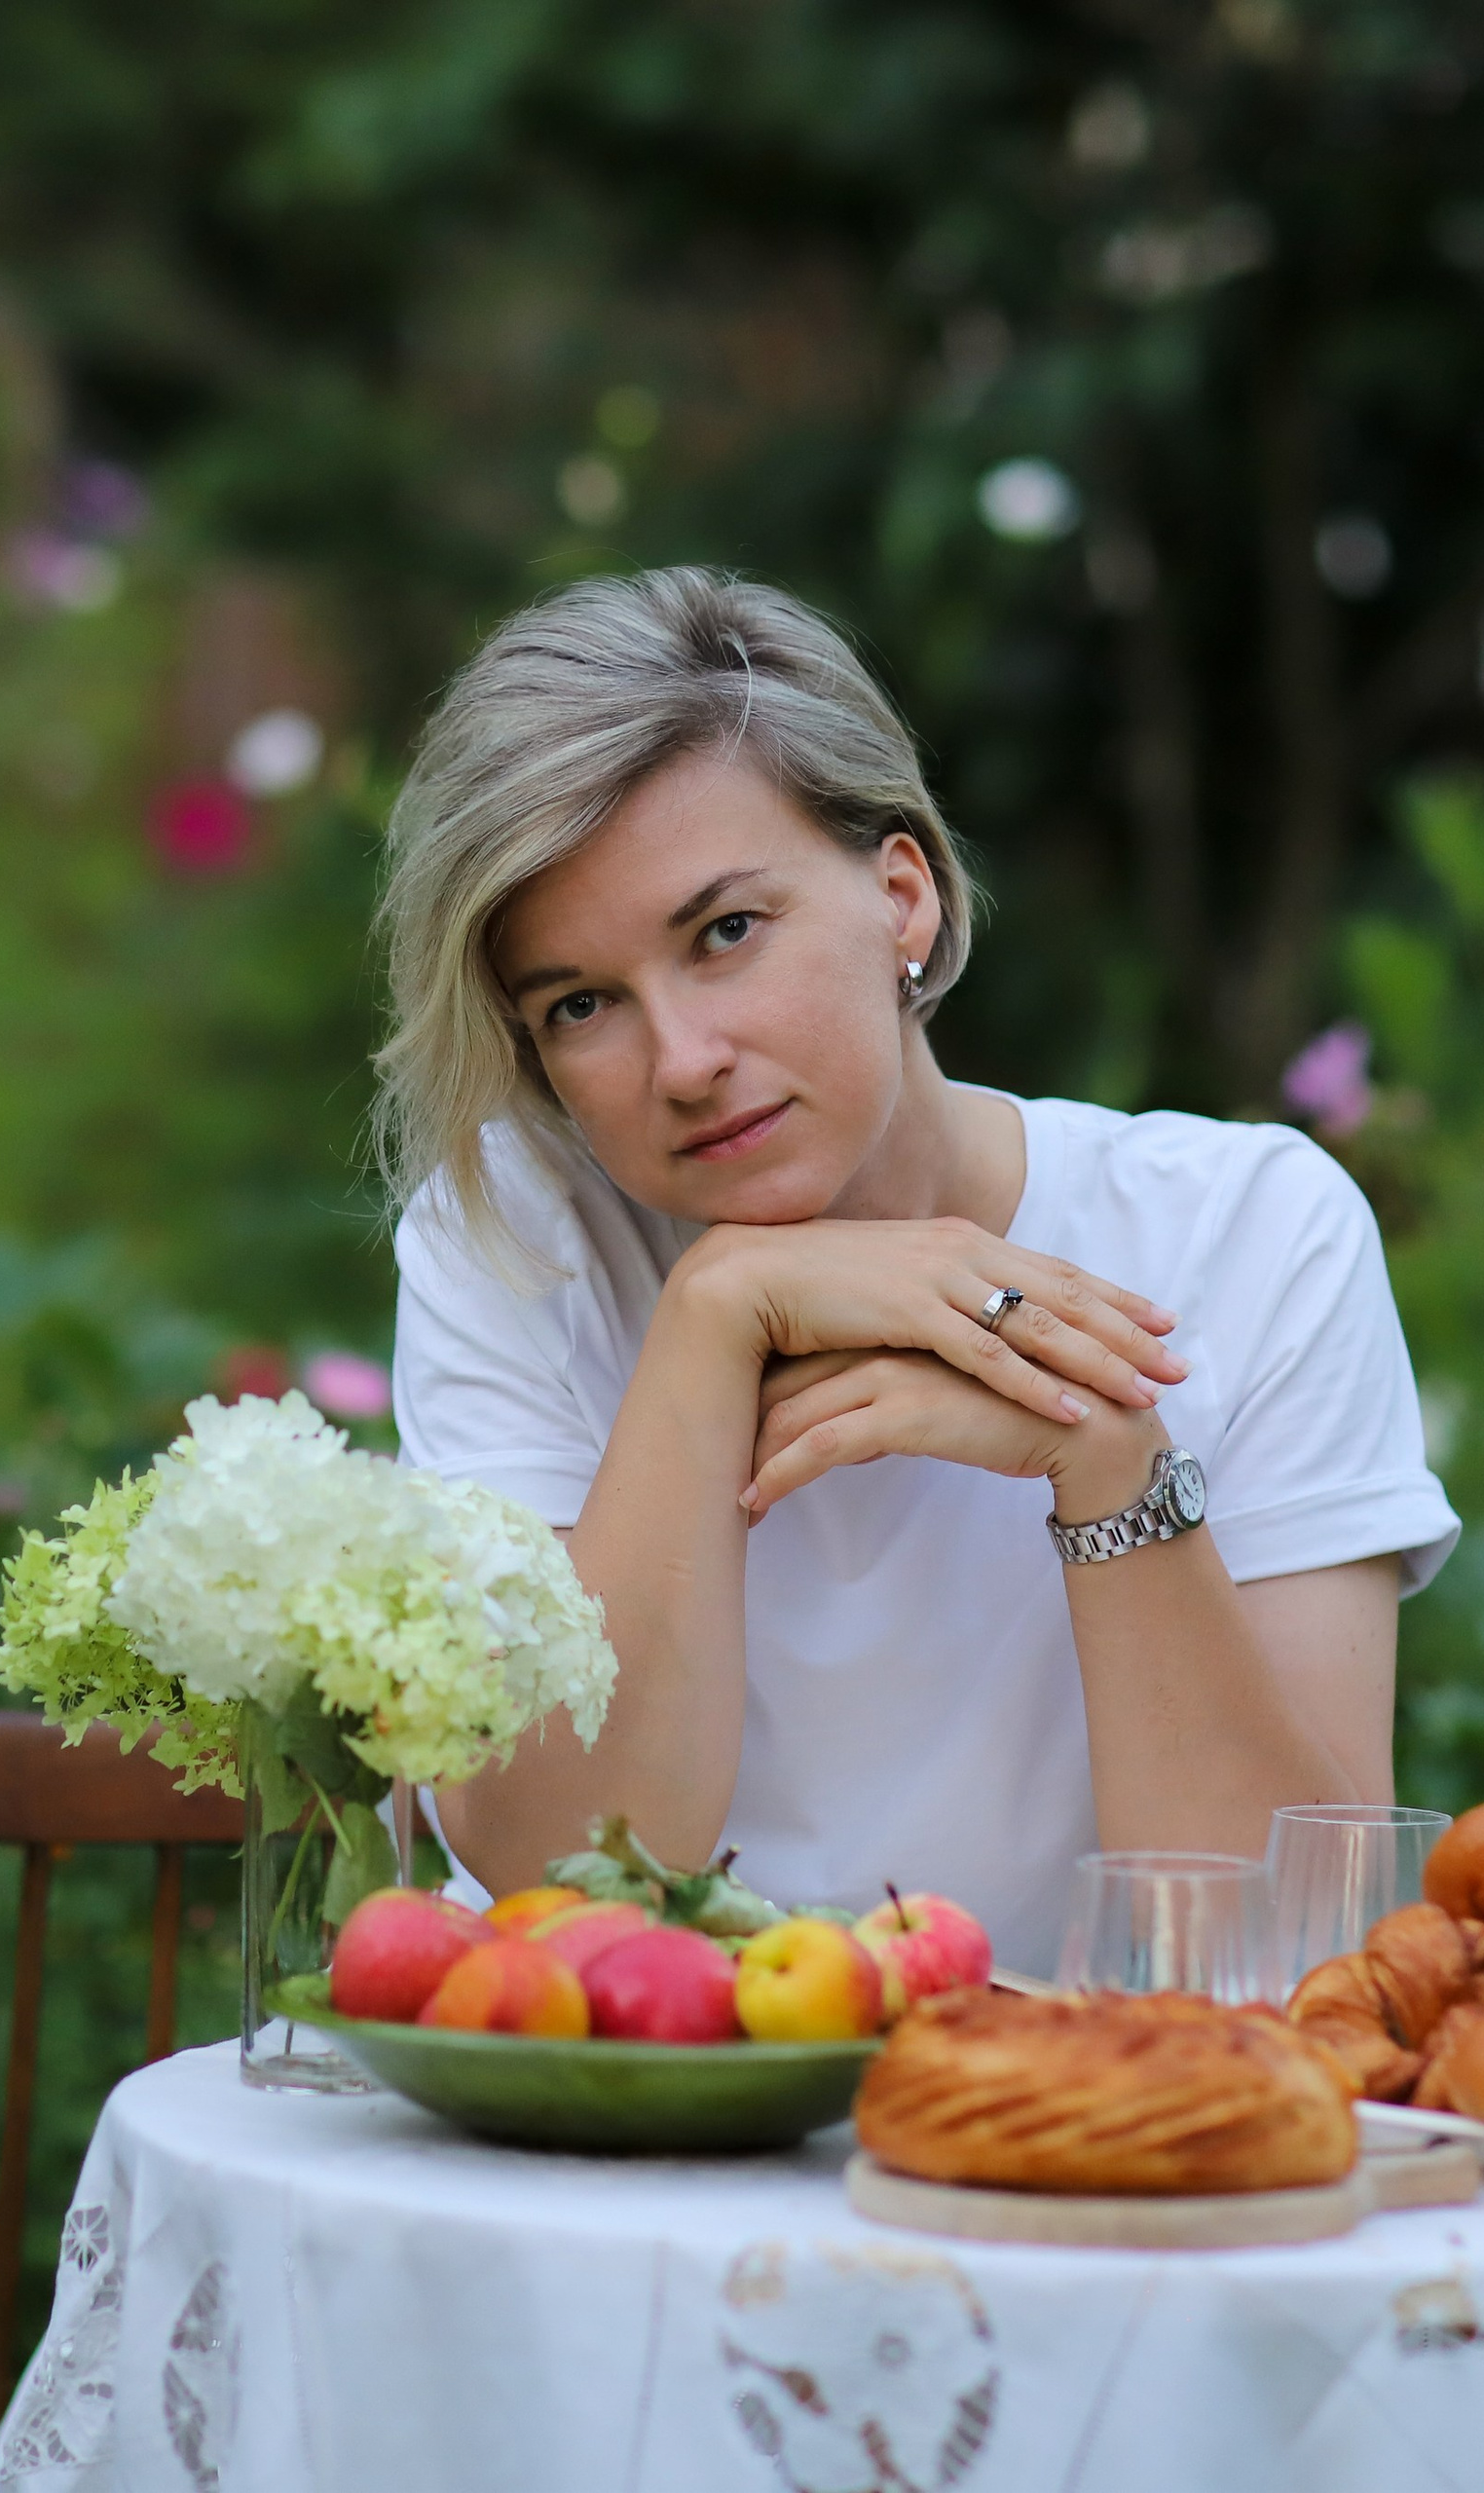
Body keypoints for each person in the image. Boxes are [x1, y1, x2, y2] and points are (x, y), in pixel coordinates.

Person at [377, 568, 1458, 1976]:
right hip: (639, 2089)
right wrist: (714, 1318)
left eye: (725, 932)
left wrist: (1106, 1456)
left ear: (903, 897)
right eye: (582, 1004)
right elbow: (561, 1878)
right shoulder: (519, 1240)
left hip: (1076, 2095)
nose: (683, 1062)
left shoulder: (1251, 1229)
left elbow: (1289, 1945)